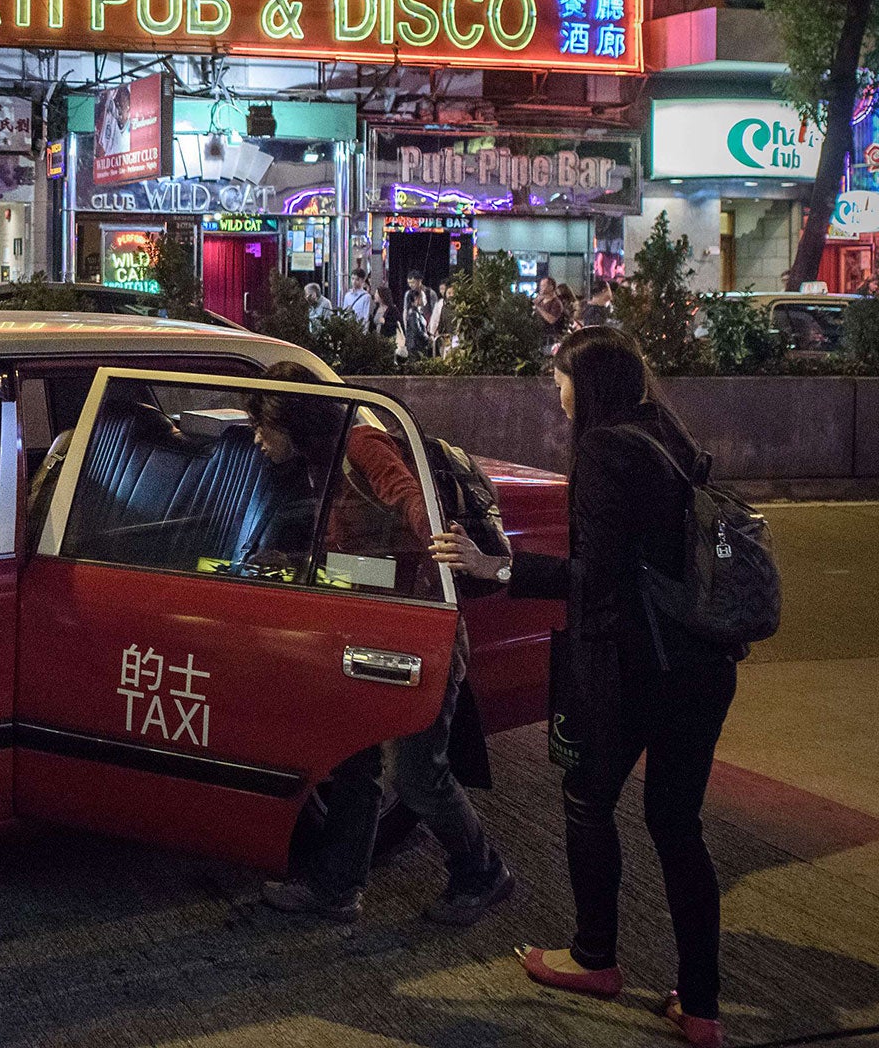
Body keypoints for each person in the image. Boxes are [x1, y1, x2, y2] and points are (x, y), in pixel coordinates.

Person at [434, 329, 737, 1046]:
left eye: (560, 378)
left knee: (587, 800)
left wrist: (496, 566)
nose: (556, 391)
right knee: (677, 827)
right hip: (701, 664)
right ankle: (701, 1008)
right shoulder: (666, 433)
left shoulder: (604, 451)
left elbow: (593, 579)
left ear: (589, 383)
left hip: (636, 665)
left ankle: (594, 956)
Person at [251, 363, 513, 926]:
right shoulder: (317, 464)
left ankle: (483, 871)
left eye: (260, 426)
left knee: (418, 774)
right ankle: (337, 886)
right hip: (369, 621)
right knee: (353, 760)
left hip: (420, 625)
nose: (256, 439)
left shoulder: (360, 445)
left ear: (287, 419)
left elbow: (407, 495)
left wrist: (442, 545)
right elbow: (357, 554)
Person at [401, 272, 437, 359]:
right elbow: (405, 310)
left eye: (413, 282)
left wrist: (432, 329)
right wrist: (406, 327)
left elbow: (435, 312)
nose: (411, 285)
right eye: (409, 283)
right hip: (416, 335)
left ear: (420, 280)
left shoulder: (430, 293)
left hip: (428, 328)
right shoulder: (408, 294)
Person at [534, 275, 567, 341]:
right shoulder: (540, 300)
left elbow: (552, 320)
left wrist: (539, 307)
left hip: (549, 338)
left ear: (551, 287)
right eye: (541, 286)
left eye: (544, 286)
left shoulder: (556, 303)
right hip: (538, 335)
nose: (541, 288)